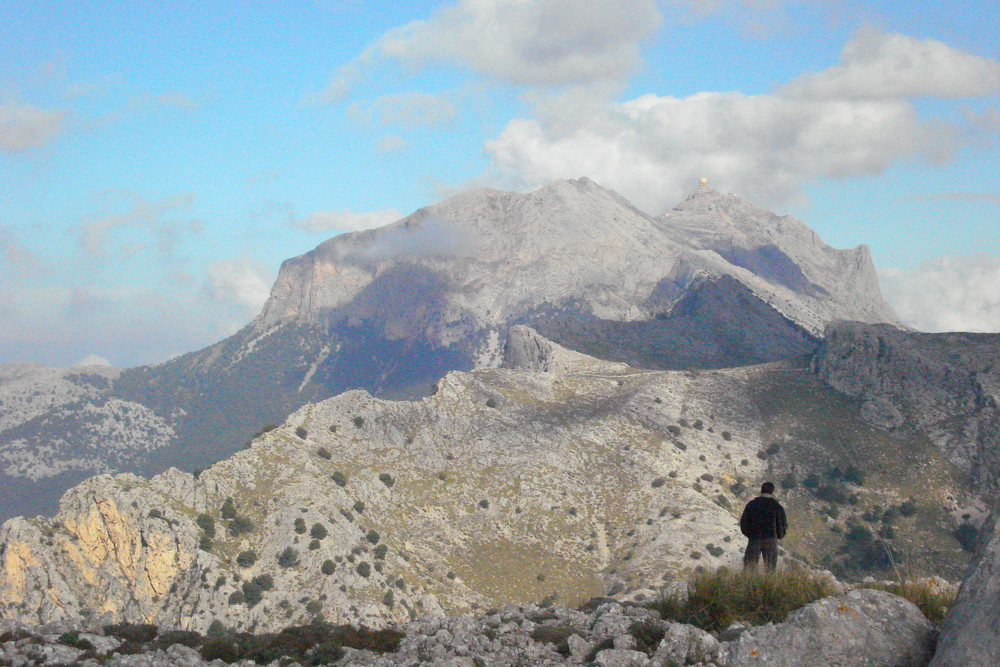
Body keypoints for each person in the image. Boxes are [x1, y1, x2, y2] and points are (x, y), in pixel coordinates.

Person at [739, 481, 787, 571]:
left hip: (754, 538)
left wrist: (749, 534)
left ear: (761, 490)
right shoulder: (777, 507)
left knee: (749, 568)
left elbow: (744, 522)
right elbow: (782, 524)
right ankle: (768, 585)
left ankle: (747, 584)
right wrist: (779, 535)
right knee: (770, 569)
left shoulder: (752, 505)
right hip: (771, 540)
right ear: (772, 492)